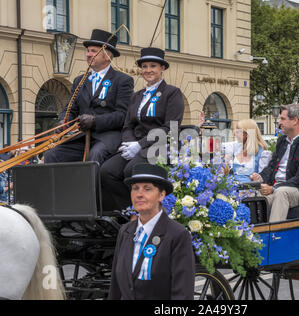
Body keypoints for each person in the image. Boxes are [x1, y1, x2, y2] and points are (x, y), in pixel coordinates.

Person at [100, 47, 184, 211]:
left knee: (131, 170)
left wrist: (140, 144)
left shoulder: (172, 93)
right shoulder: (136, 96)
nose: (148, 70)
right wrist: (130, 143)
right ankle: (128, 210)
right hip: (135, 145)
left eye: (153, 66)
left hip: (158, 146)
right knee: (106, 171)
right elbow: (127, 125)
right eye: (144, 67)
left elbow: (170, 127)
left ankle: (143, 211)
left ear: (162, 68)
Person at [44, 29, 134, 165]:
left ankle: (92, 187)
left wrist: (95, 121)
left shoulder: (122, 80)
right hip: (80, 136)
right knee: (52, 154)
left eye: (93, 51)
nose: (88, 54)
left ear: (107, 55)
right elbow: (71, 108)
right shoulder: (79, 80)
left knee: (96, 155)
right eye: (88, 51)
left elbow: (122, 115)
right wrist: (64, 121)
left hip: (107, 136)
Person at [108, 163, 195, 300]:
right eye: (135, 189)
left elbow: (182, 293)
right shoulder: (125, 231)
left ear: (161, 195)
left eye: (147, 189)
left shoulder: (177, 234)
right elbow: (115, 287)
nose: (139, 194)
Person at [250, 103, 299, 222]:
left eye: (283, 119)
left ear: (295, 120)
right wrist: (260, 177)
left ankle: (273, 236)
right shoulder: (282, 141)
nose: (279, 122)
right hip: (276, 187)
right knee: (253, 196)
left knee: (280, 193)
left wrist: (273, 188)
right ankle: (250, 237)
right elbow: (271, 167)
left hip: (298, 189)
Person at [224, 119, 271, 183]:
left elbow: (264, 178)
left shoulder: (263, 153)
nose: (235, 134)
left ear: (247, 134)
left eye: (238, 132)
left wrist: (257, 178)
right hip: (232, 187)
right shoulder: (236, 147)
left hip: (250, 189)